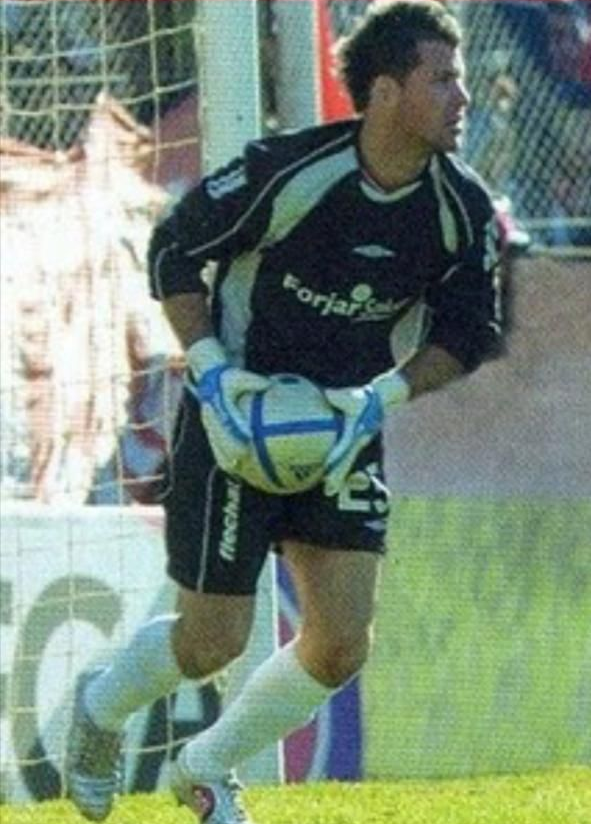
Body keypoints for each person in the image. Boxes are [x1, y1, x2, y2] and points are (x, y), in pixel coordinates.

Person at [65, 2, 502, 822]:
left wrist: (377, 399)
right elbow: (173, 251)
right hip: (235, 422)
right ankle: (99, 706)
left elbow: (468, 331)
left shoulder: (460, 209)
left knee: (340, 644)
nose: (462, 96)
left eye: (461, 79)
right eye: (442, 78)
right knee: (211, 641)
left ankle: (203, 770)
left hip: (342, 430)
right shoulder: (289, 171)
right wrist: (211, 370)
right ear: (383, 92)